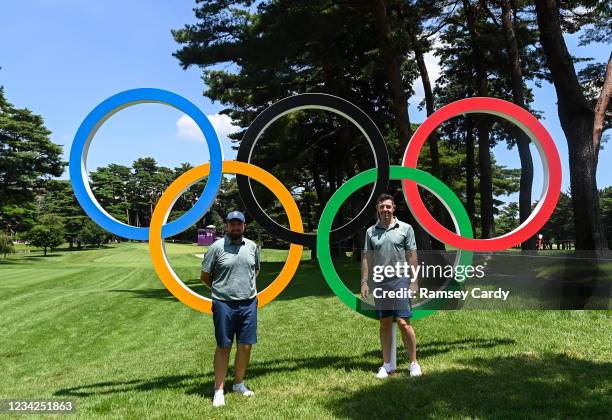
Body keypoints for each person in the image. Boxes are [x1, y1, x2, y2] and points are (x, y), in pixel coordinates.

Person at [201, 210, 260, 407]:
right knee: (224, 346)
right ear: (226, 226)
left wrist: (245, 288)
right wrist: (222, 291)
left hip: (248, 303)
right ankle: (219, 389)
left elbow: (255, 270)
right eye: (232, 224)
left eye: (239, 224)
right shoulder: (216, 248)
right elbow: (205, 276)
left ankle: (238, 383)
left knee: (245, 345)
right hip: (223, 304)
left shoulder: (252, 246)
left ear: (244, 226)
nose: (235, 227)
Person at [361, 193, 422, 378]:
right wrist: (364, 281)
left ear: (394, 208)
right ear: (378, 209)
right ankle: (387, 365)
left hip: (401, 279)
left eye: (388, 206)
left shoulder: (406, 228)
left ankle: (414, 364)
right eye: (382, 207)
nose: (385, 210)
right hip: (380, 281)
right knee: (385, 323)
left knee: (404, 322)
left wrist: (414, 280)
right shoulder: (371, 232)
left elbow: (412, 256)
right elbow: (366, 257)